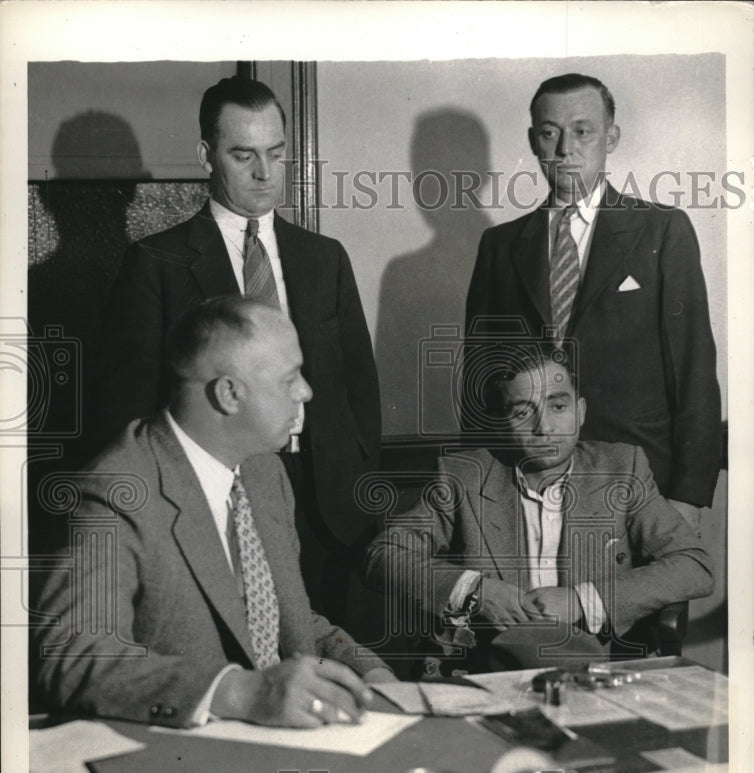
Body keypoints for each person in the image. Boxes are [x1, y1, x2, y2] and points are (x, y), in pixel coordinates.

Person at [34, 297, 393, 728]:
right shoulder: (113, 491)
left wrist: (369, 672)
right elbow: (74, 657)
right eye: (290, 378)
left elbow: (287, 617)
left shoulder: (263, 471)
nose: (307, 392)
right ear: (228, 394)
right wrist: (242, 692)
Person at [100, 76, 381, 624]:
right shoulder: (157, 263)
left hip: (328, 506)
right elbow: (130, 408)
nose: (263, 173)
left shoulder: (325, 258)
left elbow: (358, 389)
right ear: (207, 156)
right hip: (219, 498)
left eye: (276, 154)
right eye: (243, 154)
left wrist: (359, 488)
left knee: (328, 658)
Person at [463, 72, 721, 531]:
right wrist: (479, 495)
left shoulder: (662, 230)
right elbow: (479, 383)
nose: (565, 149)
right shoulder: (500, 247)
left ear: (611, 137)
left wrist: (688, 497)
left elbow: (693, 369)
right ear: (533, 141)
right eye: (549, 133)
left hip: (642, 490)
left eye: (582, 131)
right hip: (528, 492)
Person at [365, 349, 713, 672]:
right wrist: (474, 591)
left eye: (557, 407)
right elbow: (383, 555)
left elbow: (694, 565)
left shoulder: (623, 468)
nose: (543, 428)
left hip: (595, 669)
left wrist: (582, 601)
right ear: (503, 421)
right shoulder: (462, 476)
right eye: (522, 411)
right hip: (491, 669)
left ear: (580, 411)